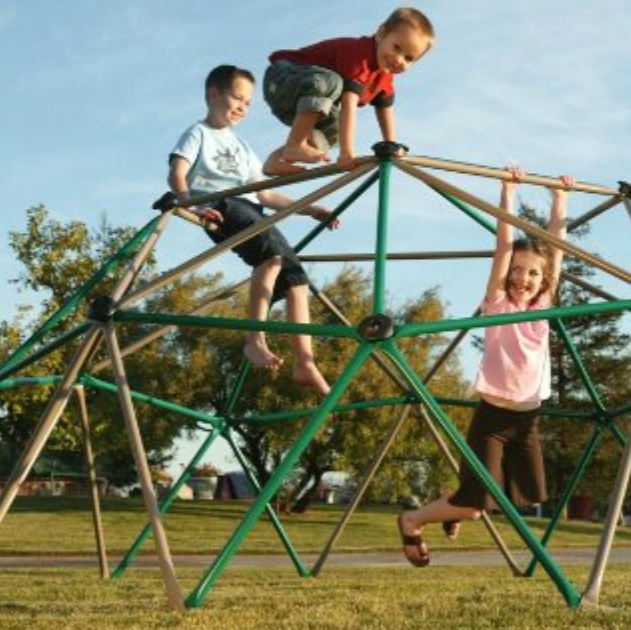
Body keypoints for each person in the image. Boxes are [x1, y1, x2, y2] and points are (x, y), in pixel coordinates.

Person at [396, 166, 575, 567]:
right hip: (492, 419)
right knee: (474, 507)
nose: (523, 278)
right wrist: (507, 193)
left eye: (532, 273)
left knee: (529, 494)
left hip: (528, 419)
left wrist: (560, 201)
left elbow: (556, 250)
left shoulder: (543, 307)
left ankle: (456, 499)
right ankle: (412, 519)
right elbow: (503, 244)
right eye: (517, 270)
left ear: (543, 280)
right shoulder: (496, 303)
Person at [167, 64, 339, 396]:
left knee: (297, 282)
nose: (243, 107)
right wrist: (191, 205)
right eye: (237, 97)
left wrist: (310, 209)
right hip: (221, 206)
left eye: (248, 103)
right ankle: (253, 339)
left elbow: (265, 194)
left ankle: (305, 361)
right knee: (271, 259)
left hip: (252, 210)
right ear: (213, 93)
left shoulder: (243, 146)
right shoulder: (197, 133)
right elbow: (177, 174)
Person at [259, 7, 435, 175]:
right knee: (332, 82)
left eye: (409, 58)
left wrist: (392, 146)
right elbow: (348, 106)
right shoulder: (359, 56)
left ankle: (277, 159)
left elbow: (386, 111)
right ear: (381, 33)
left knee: (334, 130)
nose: (398, 59)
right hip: (282, 78)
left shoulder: (384, 77)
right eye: (396, 47)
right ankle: (294, 145)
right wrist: (347, 153)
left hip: (302, 100)